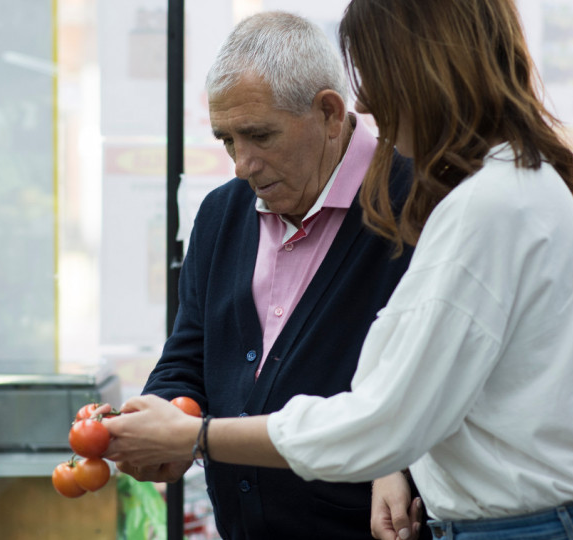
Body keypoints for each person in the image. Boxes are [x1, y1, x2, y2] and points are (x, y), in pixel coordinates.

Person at [102, 1, 573, 539]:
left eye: (377, 74)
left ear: (425, 75)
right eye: (228, 139)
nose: (366, 101)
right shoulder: (508, 186)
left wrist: (197, 437)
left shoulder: (476, 204)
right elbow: (408, 401)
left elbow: (384, 419)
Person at [109, 10, 426, 540]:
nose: (241, 163)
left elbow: (443, 380)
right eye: (227, 139)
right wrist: (159, 418)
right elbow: (190, 353)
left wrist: (402, 465)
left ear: (329, 112)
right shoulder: (220, 214)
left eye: (259, 135)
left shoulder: (417, 204)